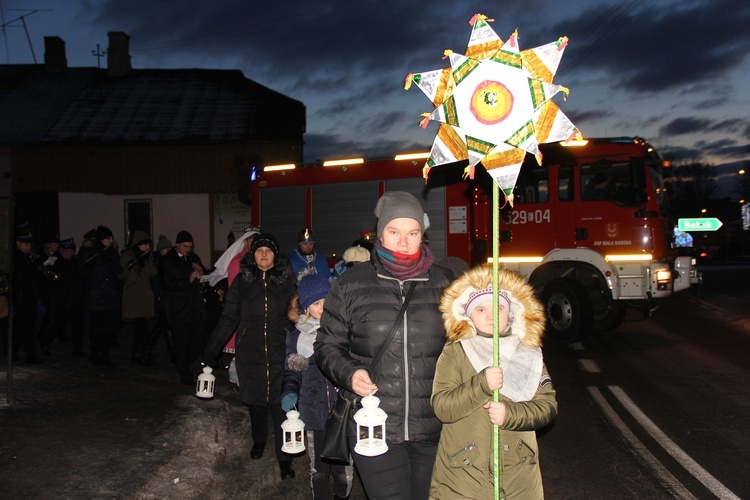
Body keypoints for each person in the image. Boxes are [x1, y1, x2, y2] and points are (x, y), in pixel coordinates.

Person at [314, 191, 454, 499]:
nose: (403, 242)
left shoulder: (447, 284)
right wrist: (349, 373)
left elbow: (466, 347)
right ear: (380, 235)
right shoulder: (352, 284)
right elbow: (327, 346)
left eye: (412, 233)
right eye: (394, 232)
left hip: (435, 426)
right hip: (373, 426)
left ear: (423, 235)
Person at [430, 264, 558, 499]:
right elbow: (442, 407)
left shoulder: (528, 352)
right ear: (467, 314)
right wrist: (481, 385)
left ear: (509, 312)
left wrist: (511, 414)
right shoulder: (456, 351)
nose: (491, 316)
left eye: (498, 308)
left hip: (518, 474)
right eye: (480, 309)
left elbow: (547, 406)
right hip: (464, 473)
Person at [202, 233, 297, 480]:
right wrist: (210, 350)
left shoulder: (287, 283)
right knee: (255, 400)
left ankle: (284, 458)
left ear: (276, 255)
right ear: (252, 255)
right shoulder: (242, 283)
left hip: (280, 350)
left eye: (268, 250)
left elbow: (298, 317)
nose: (263, 254)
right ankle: (259, 440)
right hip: (250, 351)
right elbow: (228, 319)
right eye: (259, 250)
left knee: (280, 404)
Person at [281, 274, 354, 500]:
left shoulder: (344, 332)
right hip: (313, 412)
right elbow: (292, 371)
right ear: (305, 309)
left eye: (326, 301)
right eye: (316, 304)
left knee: (344, 471)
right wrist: (289, 391)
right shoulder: (298, 338)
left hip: (342, 412)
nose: (322, 308)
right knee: (319, 470)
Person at [201, 225, 260, 384]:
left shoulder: (259, 258)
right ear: (246, 241)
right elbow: (236, 288)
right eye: (251, 240)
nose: (254, 243)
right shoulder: (237, 261)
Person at [159, 230, 208, 385]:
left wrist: (201, 273)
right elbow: (169, 284)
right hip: (178, 308)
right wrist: (189, 279)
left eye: (190, 246)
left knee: (200, 338)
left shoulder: (192, 257)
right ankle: (184, 372)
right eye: (185, 246)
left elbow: (204, 274)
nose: (189, 249)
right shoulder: (168, 260)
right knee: (181, 342)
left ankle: (183, 362)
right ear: (178, 245)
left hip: (194, 306)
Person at [78, 225, 122, 367]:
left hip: (110, 297)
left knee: (109, 328)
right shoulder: (90, 252)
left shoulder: (112, 253)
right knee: (97, 329)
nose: (110, 241)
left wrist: (111, 261)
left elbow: (117, 272)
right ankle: (95, 353)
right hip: (96, 297)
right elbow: (83, 272)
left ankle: (104, 354)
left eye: (111, 238)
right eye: (107, 239)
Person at [40, 237, 87, 357]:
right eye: (67, 250)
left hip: (75, 299)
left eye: (71, 250)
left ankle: (77, 350)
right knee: (59, 325)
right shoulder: (55, 261)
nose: (70, 253)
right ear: (61, 250)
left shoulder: (76, 261)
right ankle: (45, 342)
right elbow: (46, 278)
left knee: (78, 326)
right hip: (62, 300)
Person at [119, 231, 157, 365]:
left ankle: (138, 354)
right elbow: (123, 275)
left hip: (144, 296)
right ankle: (142, 353)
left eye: (148, 245)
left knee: (141, 328)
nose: (147, 247)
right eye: (144, 245)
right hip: (133, 297)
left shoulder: (147, 258)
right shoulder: (127, 256)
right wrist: (136, 262)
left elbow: (152, 273)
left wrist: (146, 261)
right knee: (141, 328)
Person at [11, 224, 42, 363]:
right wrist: (36, 265)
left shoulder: (26, 256)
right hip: (22, 297)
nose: (28, 247)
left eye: (29, 244)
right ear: (18, 243)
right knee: (25, 327)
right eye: (25, 244)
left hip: (30, 297)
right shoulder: (16, 258)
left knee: (24, 328)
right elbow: (22, 275)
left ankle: (12, 350)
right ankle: (29, 355)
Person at [145, 235, 175, 365]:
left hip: (167, 298)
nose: (167, 251)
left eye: (169, 248)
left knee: (163, 326)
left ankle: (147, 347)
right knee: (164, 326)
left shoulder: (169, 262)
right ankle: (171, 352)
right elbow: (155, 282)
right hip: (161, 298)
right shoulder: (157, 263)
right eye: (165, 249)